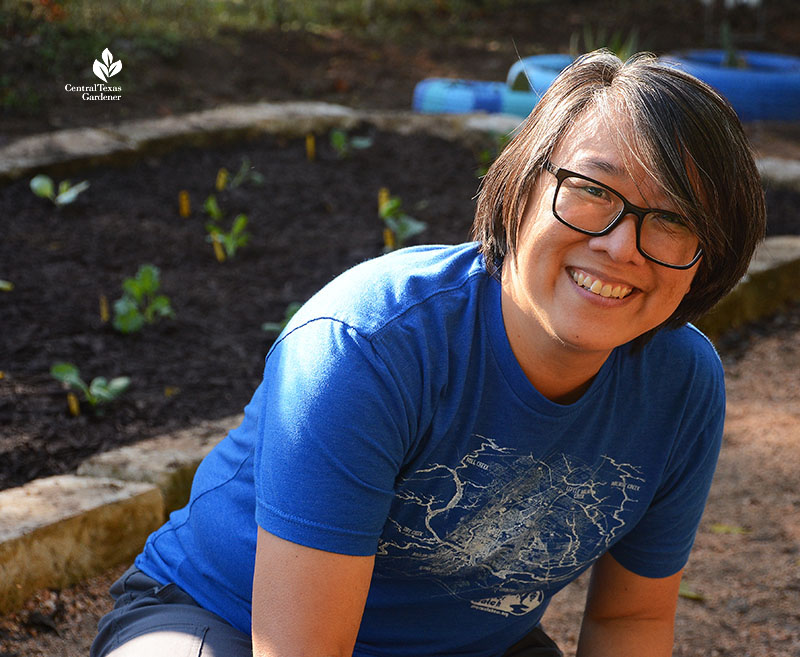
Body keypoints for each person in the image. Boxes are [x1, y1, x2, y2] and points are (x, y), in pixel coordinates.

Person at [90, 50, 765, 657]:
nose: (620, 245)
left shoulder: (682, 385)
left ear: (706, 258)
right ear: (523, 187)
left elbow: (629, 622)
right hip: (226, 620)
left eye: (673, 218)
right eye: (592, 191)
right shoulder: (367, 345)